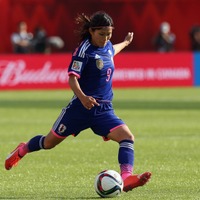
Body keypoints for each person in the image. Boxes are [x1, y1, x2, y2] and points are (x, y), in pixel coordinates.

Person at [5, 11, 151, 192]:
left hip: (103, 109)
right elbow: (72, 78)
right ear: (91, 31)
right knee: (49, 143)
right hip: (79, 109)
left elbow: (113, 50)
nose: (106, 38)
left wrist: (126, 42)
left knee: (127, 137)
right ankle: (22, 150)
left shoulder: (107, 47)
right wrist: (83, 98)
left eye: (109, 34)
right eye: (102, 34)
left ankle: (127, 178)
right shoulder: (84, 50)